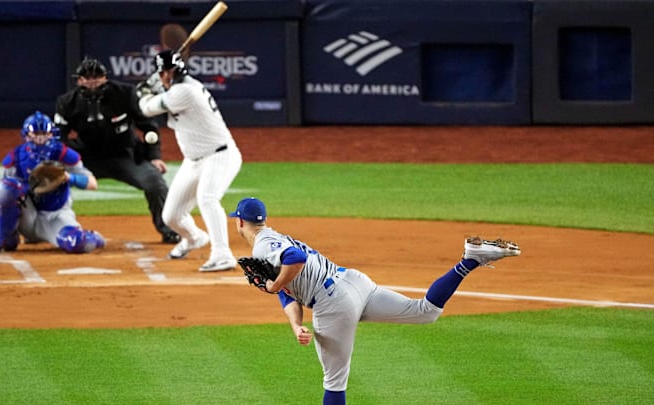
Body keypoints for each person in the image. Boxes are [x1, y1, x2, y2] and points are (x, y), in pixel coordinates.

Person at [229, 197, 522, 405]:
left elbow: (295, 261)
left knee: (334, 382)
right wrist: (295, 325)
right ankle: (470, 260)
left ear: (239, 222)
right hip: (354, 283)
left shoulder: (264, 244)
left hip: (333, 304)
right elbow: (285, 291)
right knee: (425, 312)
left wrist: (274, 283)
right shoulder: (274, 237)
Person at [53, 57, 181, 244]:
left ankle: (168, 229)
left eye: (97, 77)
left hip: (125, 155)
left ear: (105, 78)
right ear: (79, 80)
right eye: (86, 78)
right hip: (87, 158)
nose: (92, 82)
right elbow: (60, 138)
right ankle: (43, 229)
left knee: (155, 183)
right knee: (50, 180)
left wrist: (154, 157)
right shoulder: (67, 102)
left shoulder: (124, 93)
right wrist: (60, 163)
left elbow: (148, 126)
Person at [138, 50, 242, 272]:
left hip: (220, 155)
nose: (164, 75)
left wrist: (146, 92)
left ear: (174, 71)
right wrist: (156, 87)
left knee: (208, 198)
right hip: (194, 160)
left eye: (166, 72)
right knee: (171, 216)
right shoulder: (179, 87)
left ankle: (222, 254)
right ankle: (194, 238)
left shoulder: (184, 91)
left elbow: (146, 108)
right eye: (161, 72)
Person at [0, 111, 105, 253]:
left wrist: (69, 177)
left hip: (56, 215)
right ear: (27, 135)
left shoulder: (63, 154)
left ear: (51, 134)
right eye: (36, 134)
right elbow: (1, 194)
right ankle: (6, 239)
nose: (40, 139)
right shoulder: (16, 157)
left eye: (44, 134)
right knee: (8, 187)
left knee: (77, 243)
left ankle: (93, 237)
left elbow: (92, 183)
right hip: (28, 216)